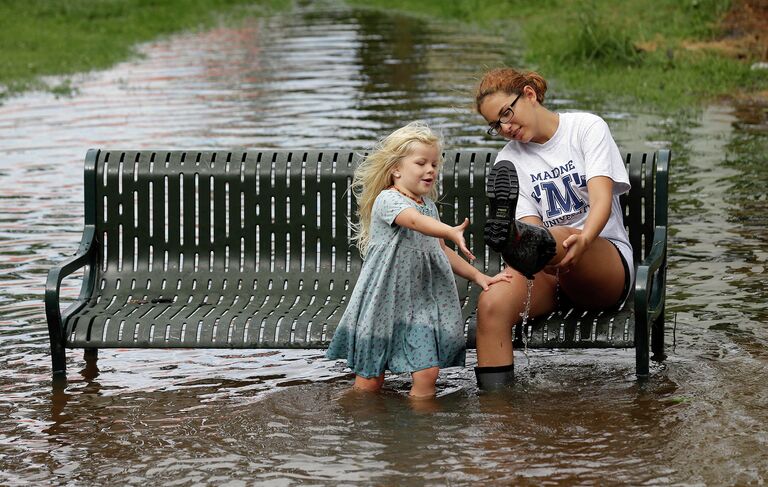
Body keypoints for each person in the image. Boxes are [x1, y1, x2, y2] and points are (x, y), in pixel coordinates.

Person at [473, 68, 634, 390]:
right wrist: (530, 250)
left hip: (602, 260)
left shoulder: (585, 128)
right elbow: (531, 229)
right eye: (496, 125)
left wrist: (585, 238)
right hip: (546, 268)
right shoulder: (509, 162)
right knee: (492, 305)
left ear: (530, 94)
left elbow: (601, 200)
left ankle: (518, 241)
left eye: (507, 113)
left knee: (559, 235)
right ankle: (497, 423)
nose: (505, 127)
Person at [325, 121, 511, 399]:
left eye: (434, 164)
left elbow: (441, 250)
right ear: (396, 169)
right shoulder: (388, 200)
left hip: (419, 304)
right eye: (421, 163)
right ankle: (360, 426)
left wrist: (477, 276)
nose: (430, 170)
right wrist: (449, 230)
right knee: (371, 380)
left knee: (427, 373)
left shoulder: (429, 207)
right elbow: (412, 221)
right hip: (383, 303)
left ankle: (421, 429)